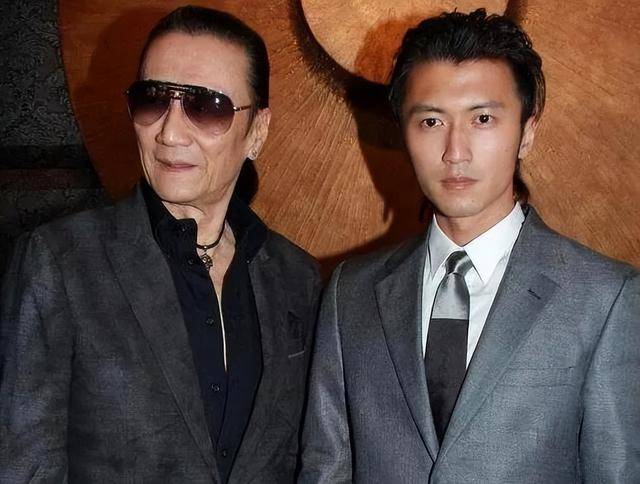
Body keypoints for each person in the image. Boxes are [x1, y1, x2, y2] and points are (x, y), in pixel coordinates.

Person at [299, 8, 639, 483]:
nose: (455, 152)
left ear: (527, 132)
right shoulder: (350, 293)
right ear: (403, 132)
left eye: (482, 118)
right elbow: (326, 469)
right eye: (431, 121)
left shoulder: (606, 298)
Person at [0, 6, 321, 483]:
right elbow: (24, 467)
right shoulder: (60, 264)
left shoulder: (297, 278)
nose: (169, 133)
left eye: (206, 106)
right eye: (152, 100)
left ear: (257, 131)